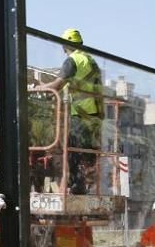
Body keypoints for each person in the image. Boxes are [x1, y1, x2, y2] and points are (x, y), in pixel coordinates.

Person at [36, 28, 104, 195]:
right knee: (86, 152)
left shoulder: (72, 61)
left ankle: (76, 185)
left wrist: (39, 87)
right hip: (94, 115)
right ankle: (83, 186)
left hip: (80, 114)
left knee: (70, 150)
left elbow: (57, 85)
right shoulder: (91, 61)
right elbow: (88, 86)